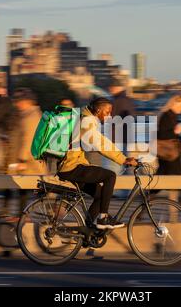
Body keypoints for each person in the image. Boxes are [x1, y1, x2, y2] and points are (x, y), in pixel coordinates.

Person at [57, 97, 137, 230]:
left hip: (73, 165)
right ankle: (103, 217)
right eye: (107, 112)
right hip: (72, 167)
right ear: (98, 110)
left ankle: (88, 230)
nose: (109, 115)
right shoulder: (87, 121)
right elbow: (99, 143)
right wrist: (123, 159)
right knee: (110, 176)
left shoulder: (85, 118)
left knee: (100, 195)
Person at [3, 88, 47, 217]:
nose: (17, 104)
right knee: (24, 187)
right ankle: (21, 215)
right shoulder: (30, 114)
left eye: (19, 101)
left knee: (25, 187)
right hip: (30, 159)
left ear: (27, 102)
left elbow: (28, 139)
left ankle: (23, 216)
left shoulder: (31, 117)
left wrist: (22, 160)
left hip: (29, 160)